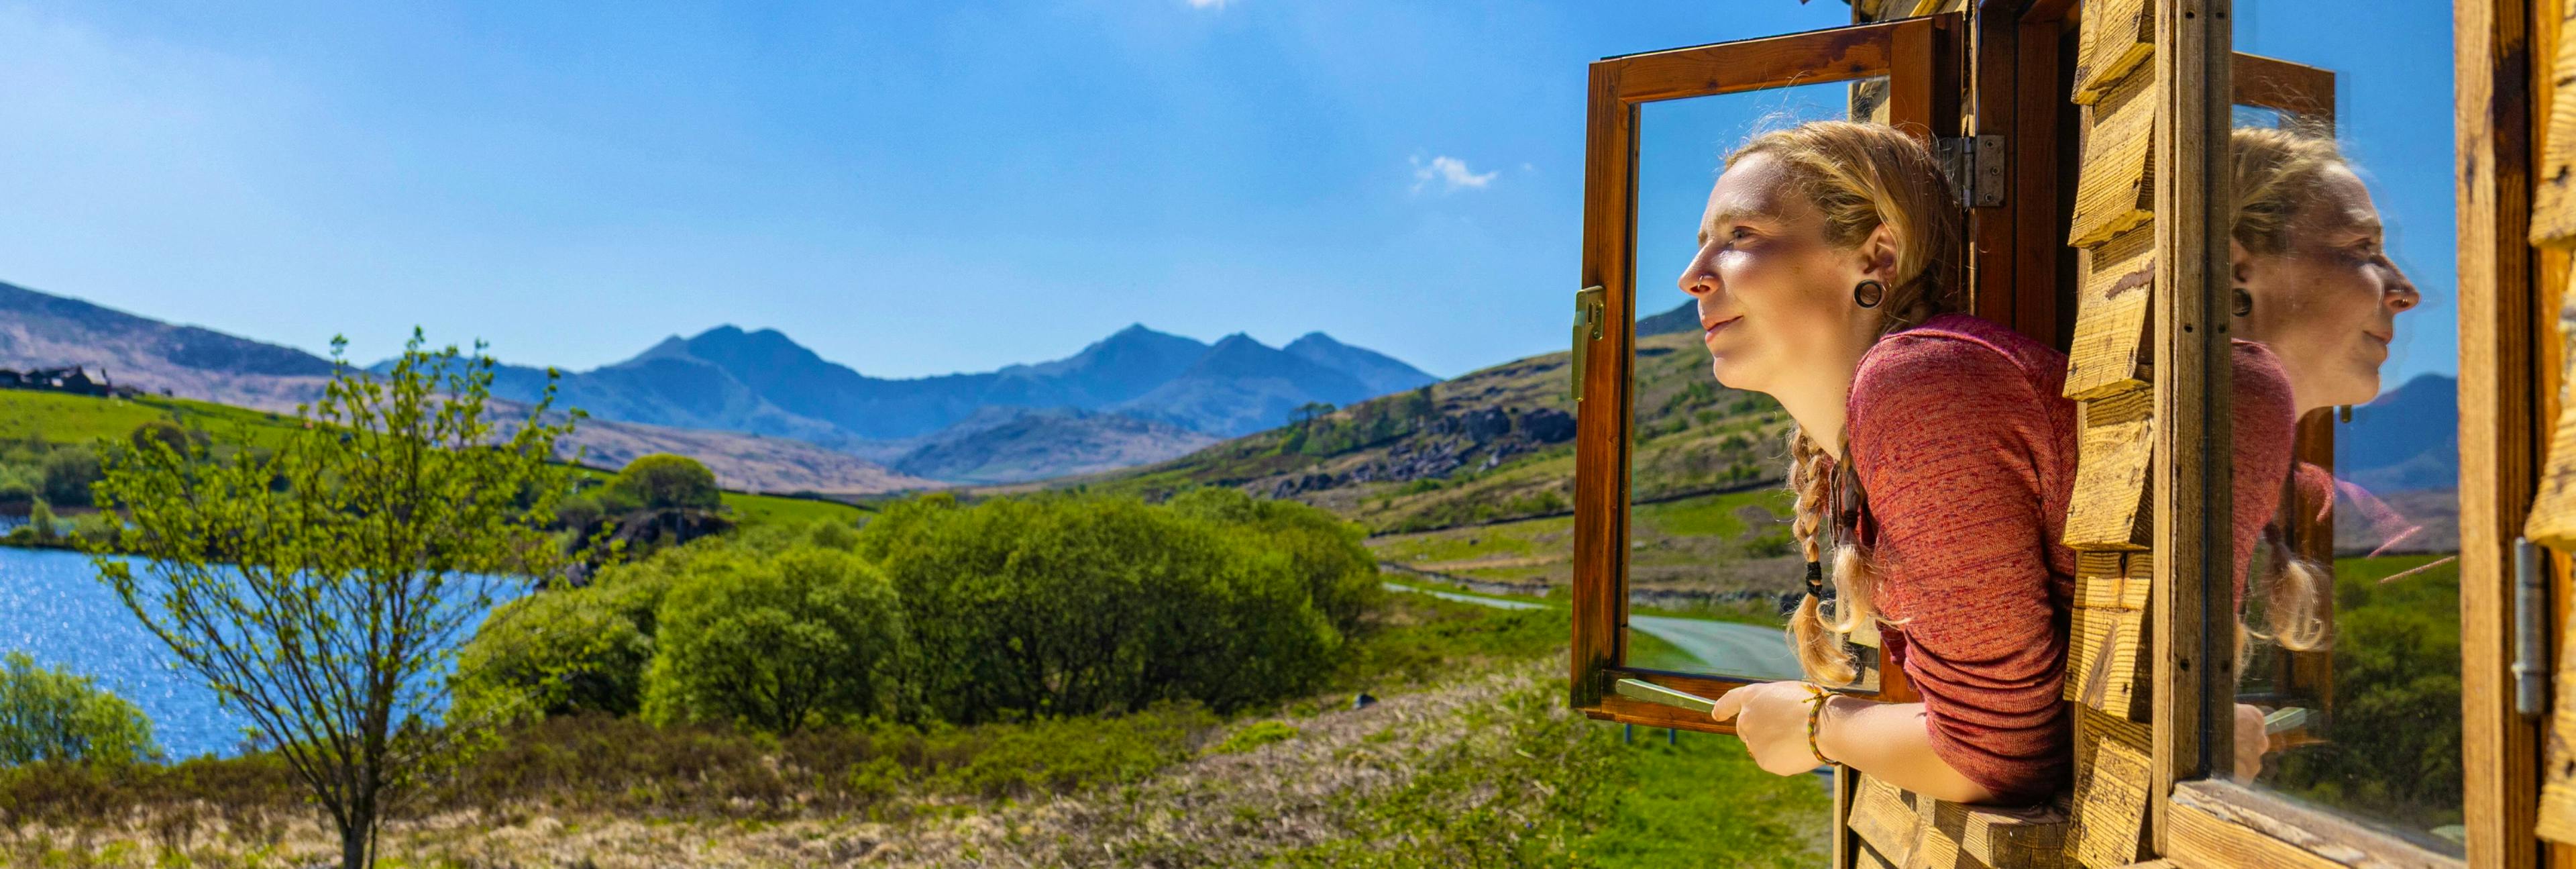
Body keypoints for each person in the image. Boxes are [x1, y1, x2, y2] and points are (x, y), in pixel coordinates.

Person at [1686, 121, 2296, 805]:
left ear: (1876, 256)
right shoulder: (1881, 422)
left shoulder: (1921, 384)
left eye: (1740, 236)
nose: (1693, 275)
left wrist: (1814, 726)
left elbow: (1991, 754)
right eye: (1704, 242)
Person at [2222, 125, 2424, 778]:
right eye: (2364, 248)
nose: (2405, 290)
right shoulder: (2240, 406)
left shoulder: (2298, 490)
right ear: (2238, 268)